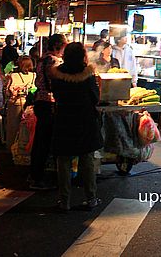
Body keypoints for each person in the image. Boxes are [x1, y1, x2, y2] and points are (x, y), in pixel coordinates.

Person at [48, 42, 102, 211]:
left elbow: (55, 95)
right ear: (82, 56)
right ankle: (91, 198)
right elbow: (95, 97)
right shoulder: (88, 74)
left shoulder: (57, 74)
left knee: (63, 161)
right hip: (85, 120)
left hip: (64, 119)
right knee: (87, 160)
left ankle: (64, 202)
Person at [29, 34, 66, 190]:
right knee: (44, 142)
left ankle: (35, 175)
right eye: (64, 46)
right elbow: (54, 84)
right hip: (49, 103)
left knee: (40, 141)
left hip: (40, 101)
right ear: (58, 46)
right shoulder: (54, 61)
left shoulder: (43, 59)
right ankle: (38, 178)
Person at [6, 56, 35, 146]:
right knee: (27, 128)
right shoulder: (34, 75)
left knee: (14, 127)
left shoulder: (13, 76)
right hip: (30, 105)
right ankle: (24, 148)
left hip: (16, 103)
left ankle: (12, 147)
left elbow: (7, 92)